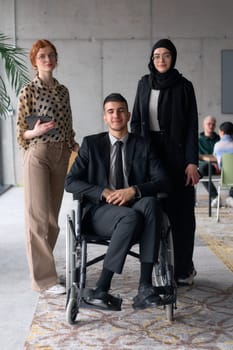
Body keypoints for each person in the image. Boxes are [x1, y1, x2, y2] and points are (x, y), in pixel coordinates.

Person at [65, 93, 171, 310]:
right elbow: (70, 182)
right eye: (111, 111)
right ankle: (102, 287)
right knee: (130, 216)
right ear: (105, 117)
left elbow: (164, 180)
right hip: (99, 212)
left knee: (151, 204)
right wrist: (102, 191)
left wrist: (133, 190)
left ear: (128, 115)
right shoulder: (91, 144)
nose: (116, 115)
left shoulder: (143, 145)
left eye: (121, 110)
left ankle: (145, 287)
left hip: (135, 207)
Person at [130, 38, 200, 286]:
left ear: (173, 58)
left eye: (166, 55)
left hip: (178, 156)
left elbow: (192, 127)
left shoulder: (184, 86)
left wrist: (192, 161)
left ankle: (183, 268)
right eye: (157, 55)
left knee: (182, 214)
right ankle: (158, 266)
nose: (161, 59)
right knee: (153, 212)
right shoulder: (144, 83)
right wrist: (135, 155)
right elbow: (136, 121)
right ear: (151, 59)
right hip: (148, 153)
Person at [16, 39, 78, 294]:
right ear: (35, 61)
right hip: (38, 154)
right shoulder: (28, 90)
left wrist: (74, 145)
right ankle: (44, 280)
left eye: (51, 55)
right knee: (38, 219)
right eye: (42, 56)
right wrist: (36, 130)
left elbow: (68, 124)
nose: (48, 59)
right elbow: (21, 132)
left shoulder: (63, 91)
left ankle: (46, 269)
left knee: (52, 220)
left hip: (61, 153)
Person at [199, 115, 220, 208]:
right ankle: (215, 196)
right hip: (206, 166)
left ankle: (231, 196)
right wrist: (212, 159)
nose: (211, 126)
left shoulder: (219, 139)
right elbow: (198, 157)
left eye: (213, 124)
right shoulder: (198, 140)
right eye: (209, 124)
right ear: (204, 125)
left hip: (220, 165)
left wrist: (207, 157)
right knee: (202, 168)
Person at [213, 121, 233, 207]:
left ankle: (217, 197)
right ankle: (231, 197)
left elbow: (215, 157)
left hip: (224, 175)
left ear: (221, 132)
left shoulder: (217, 145)